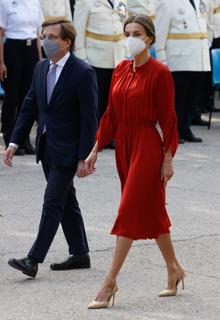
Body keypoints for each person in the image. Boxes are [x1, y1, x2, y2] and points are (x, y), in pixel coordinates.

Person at [82, 14, 186, 309]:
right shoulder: (120, 70)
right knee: (151, 210)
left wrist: (168, 157)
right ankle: (174, 269)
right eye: (126, 32)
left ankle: (108, 283)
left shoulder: (160, 73)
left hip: (147, 146)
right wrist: (94, 149)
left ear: (150, 38)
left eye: (137, 33)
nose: (130, 38)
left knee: (128, 210)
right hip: (124, 148)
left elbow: (168, 120)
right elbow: (111, 115)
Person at [4, 17, 98, 278]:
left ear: (67, 42)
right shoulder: (41, 67)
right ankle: (80, 253)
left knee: (53, 201)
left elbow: (90, 119)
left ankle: (33, 259)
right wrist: (13, 141)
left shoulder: (82, 72)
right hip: (47, 148)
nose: (45, 40)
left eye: (52, 36)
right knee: (67, 200)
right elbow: (29, 105)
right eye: (43, 35)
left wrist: (85, 156)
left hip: (69, 150)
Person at [155, 0, 213, 144]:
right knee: (177, 100)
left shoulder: (200, 2)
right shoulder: (166, 3)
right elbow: (160, 34)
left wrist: (207, 44)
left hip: (199, 58)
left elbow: (208, 24)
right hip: (178, 59)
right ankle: (173, 132)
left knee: (191, 98)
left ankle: (185, 129)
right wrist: (162, 61)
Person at [74, 0, 127, 126]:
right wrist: (82, 57)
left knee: (114, 100)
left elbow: (124, 23)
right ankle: (95, 133)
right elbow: (78, 30)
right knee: (96, 101)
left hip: (118, 58)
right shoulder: (85, 2)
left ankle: (109, 133)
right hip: (95, 58)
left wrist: (127, 51)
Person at [0, 0, 43, 155]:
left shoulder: (35, 2)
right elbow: (0, 33)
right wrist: (1, 62)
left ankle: (24, 139)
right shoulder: (5, 2)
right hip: (12, 48)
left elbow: (37, 34)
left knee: (28, 97)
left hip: (30, 48)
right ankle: (10, 136)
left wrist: (40, 62)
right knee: (12, 96)